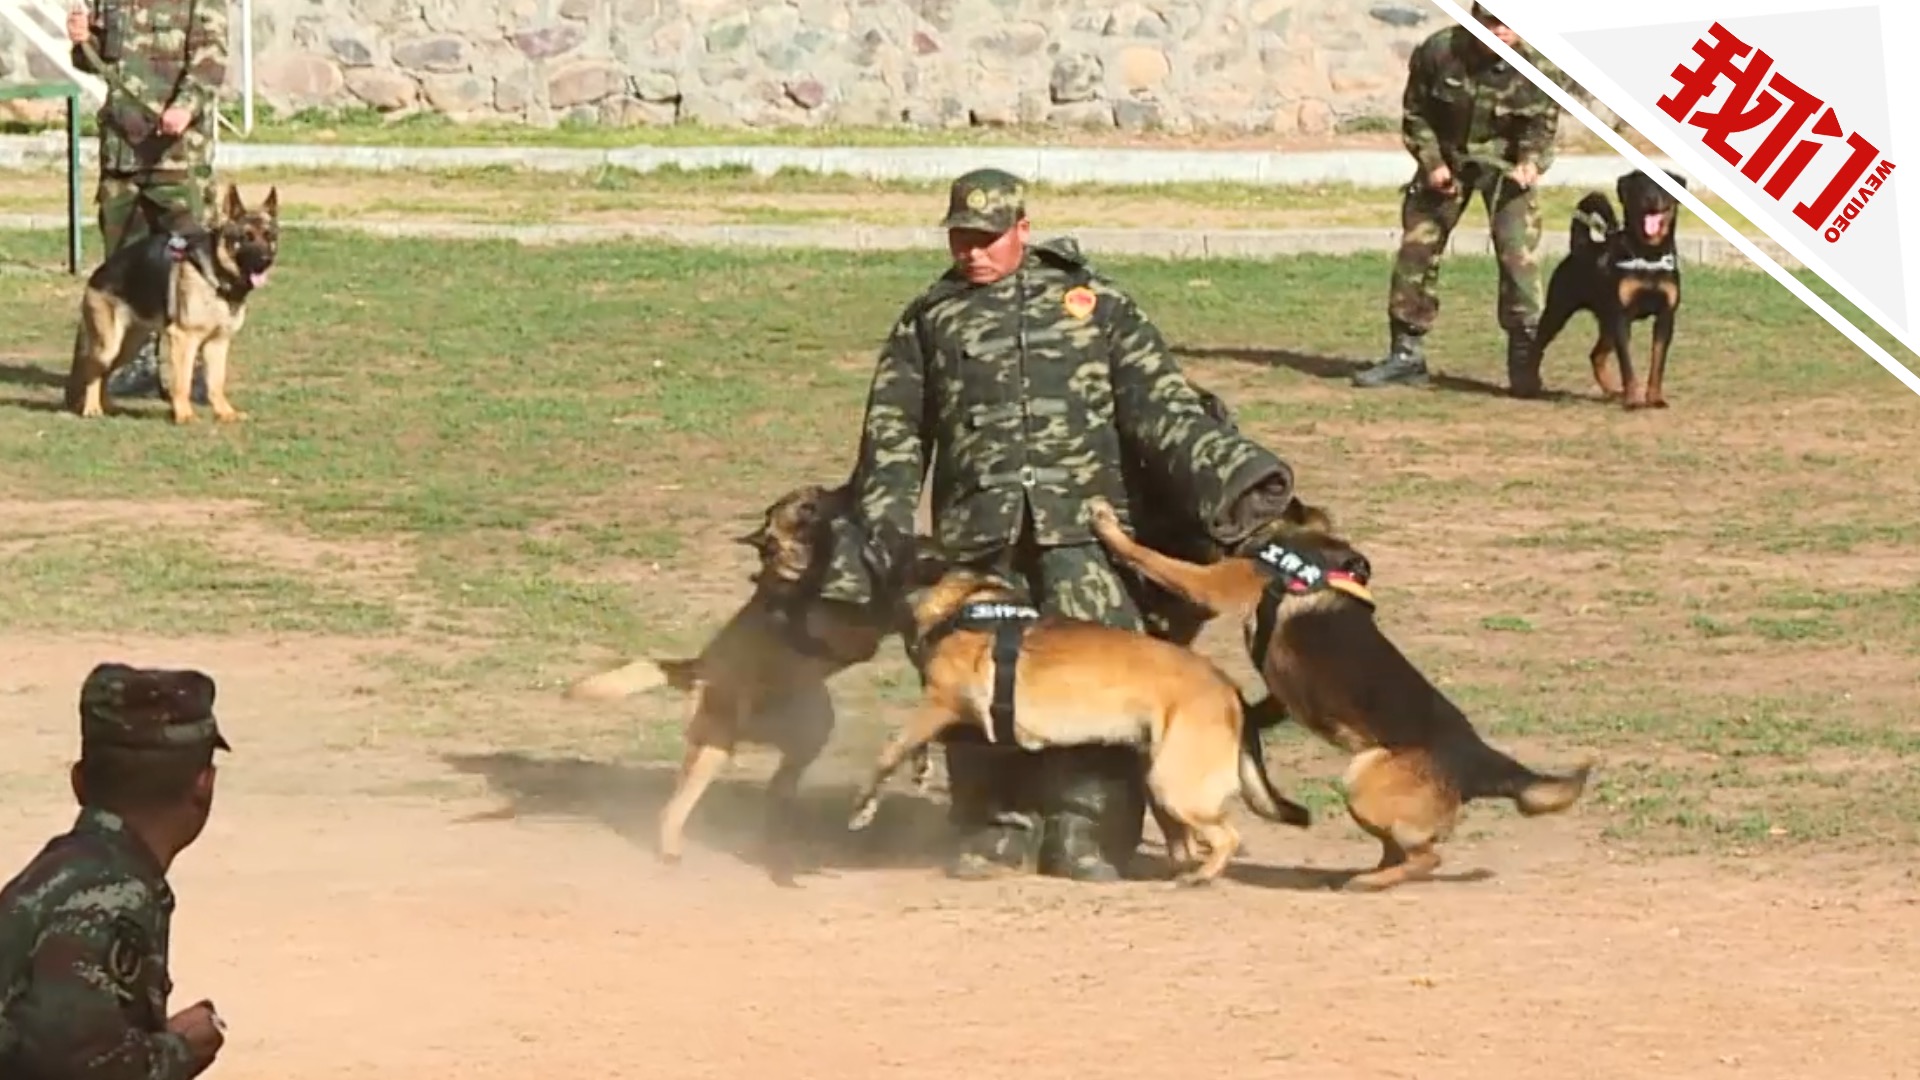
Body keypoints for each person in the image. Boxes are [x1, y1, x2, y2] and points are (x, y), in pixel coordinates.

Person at [819, 166, 1300, 883]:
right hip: (977, 542)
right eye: (960, 237)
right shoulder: (931, 319)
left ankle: (1087, 830)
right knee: (977, 687)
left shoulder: (1098, 305)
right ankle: (994, 826)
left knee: (1105, 686)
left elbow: (1159, 406)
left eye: (986, 237)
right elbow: (893, 435)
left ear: (1022, 229)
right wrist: (882, 532)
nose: (972, 251)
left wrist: (1233, 473)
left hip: (1087, 538)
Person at [0, 662, 232, 1079]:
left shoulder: (63, 874)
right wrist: (180, 1049)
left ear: (79, 783)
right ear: (204, 786)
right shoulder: (109, 896)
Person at [1350, 2, 1568, 395]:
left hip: (1505, 168)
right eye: (1492, 22)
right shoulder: (1439, 52)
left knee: (1518, 256)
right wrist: (1432, 164)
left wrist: (1530, 163)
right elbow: (1416, 114)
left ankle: (1524, 362)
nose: (1502, 31)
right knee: (1417, 250)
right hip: (1448, 161)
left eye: (1510, 24)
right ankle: (1406, 355)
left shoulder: (1541, 65)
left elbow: (1542, 126)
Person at [66, 0, 226, 405]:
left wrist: (185, 106)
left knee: (197, 267)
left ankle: (196, 374)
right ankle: (119, 369)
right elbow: (98, 61)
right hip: (123, 156)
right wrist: (83, 40)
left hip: (176, 157)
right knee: (120, 271)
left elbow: (211, 59)